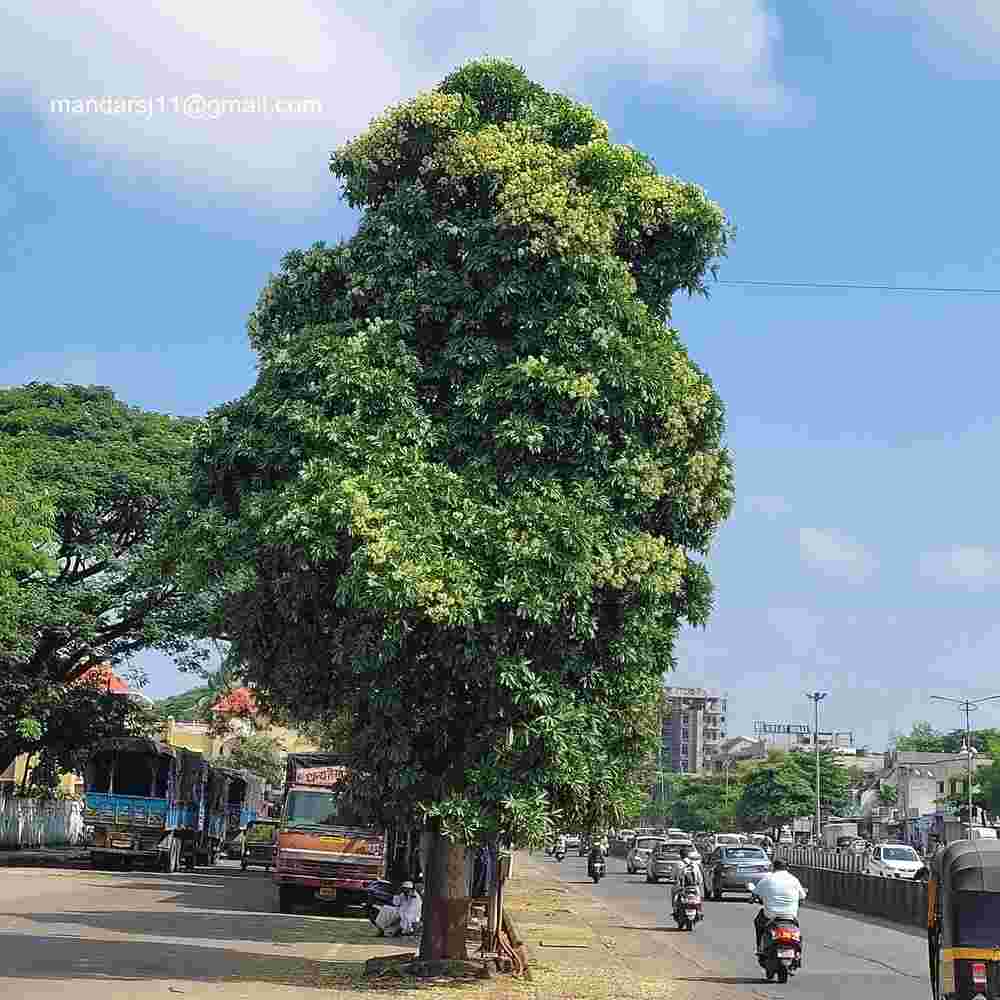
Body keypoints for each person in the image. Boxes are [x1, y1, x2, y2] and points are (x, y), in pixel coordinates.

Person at [751, 859, 807, 953]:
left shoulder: (767, 879)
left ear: (773, 867)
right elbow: (802, 896)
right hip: (790, 915)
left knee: (758, 921)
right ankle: (798, 953)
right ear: (787, 868)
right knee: (796, 927)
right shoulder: (793, 879)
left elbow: (755, 893)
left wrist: (753, 897)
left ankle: (760, 948)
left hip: (771, 915)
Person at [671, 845, 705, 912]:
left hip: (681, 887)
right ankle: (699, 911)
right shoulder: (694, 864)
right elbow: (700, 879)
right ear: (688, 855)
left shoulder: (678, 864)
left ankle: (675, 910)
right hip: (694, 887)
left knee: (674, 894)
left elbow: (672, 875)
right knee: (699, 897)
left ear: (680, 855)